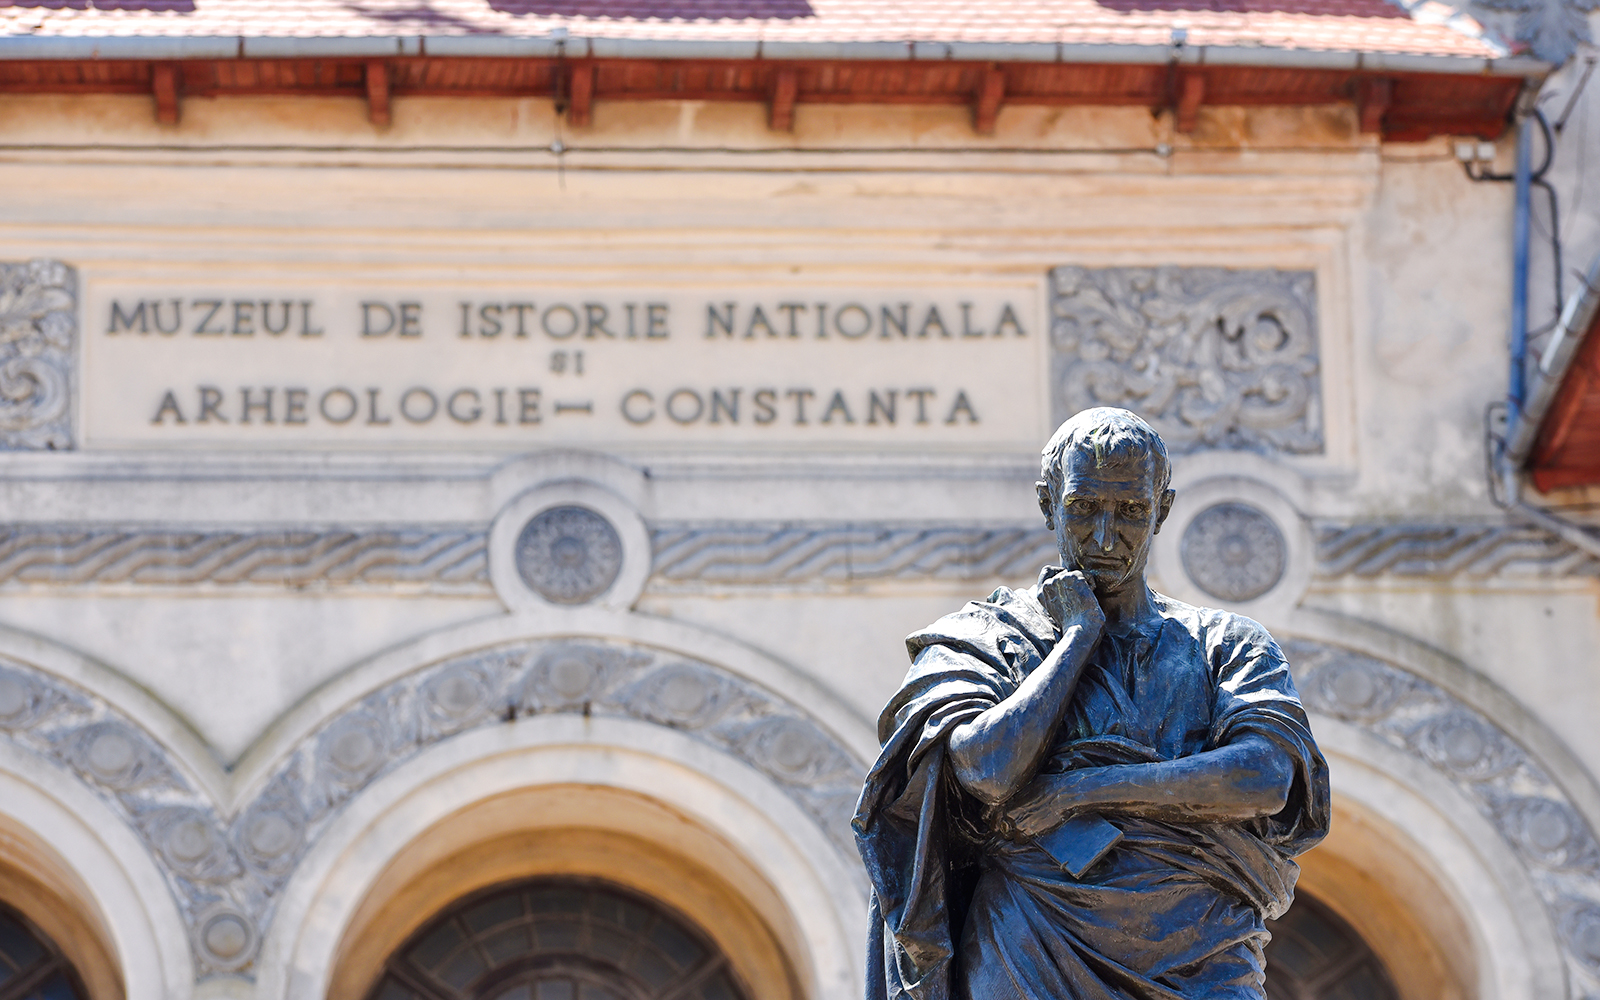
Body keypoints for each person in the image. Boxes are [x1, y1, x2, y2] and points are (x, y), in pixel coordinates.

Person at [853, 406, 1329, 1000]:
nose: (1105, 537)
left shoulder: (1226, 643)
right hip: (1032, 944)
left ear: (1163, 510)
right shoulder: (985, 638)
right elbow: (987, 770)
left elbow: (1264, 778)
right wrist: (1077, 638)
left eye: (1130, 511)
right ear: (1047, 503)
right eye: (1083, 507)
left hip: (1203, 953)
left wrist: (1080, 791)